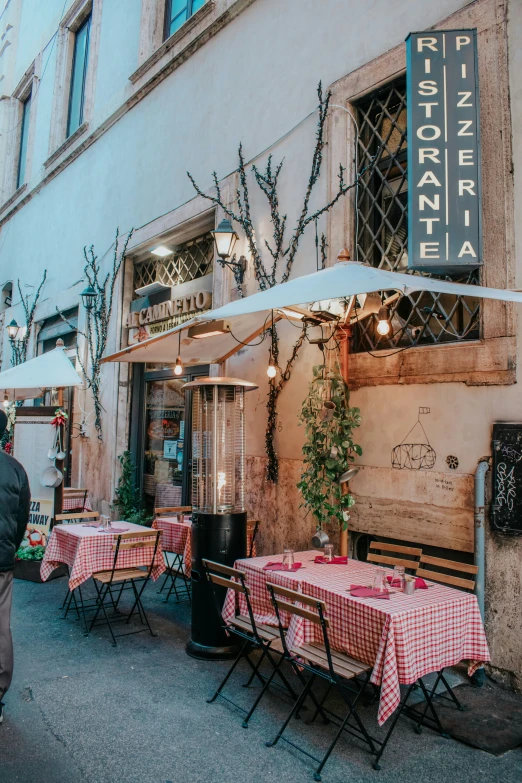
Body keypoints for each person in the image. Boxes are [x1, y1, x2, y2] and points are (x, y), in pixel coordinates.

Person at [0, 409, 30, 724]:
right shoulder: (16, 468)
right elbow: (22, 520)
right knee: (0, 627)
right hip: (2, 562)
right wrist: (12, 546)